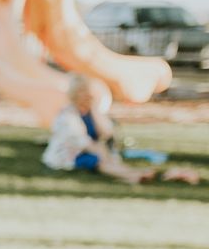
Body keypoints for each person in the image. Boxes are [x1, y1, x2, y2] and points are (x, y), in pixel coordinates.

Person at [43, 77, 201, 186]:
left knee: (104, 158)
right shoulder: (67, 115)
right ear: (75, 94)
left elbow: (106, 133)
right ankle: (131, 175)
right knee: (98, 160)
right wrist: (101, 151)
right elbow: (81, 141)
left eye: (87, 92)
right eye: (82, 92)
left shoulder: (93, 112)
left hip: (97, 149)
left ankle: (133, 173)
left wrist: (95, 110)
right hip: (72, 153)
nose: (86, 96)